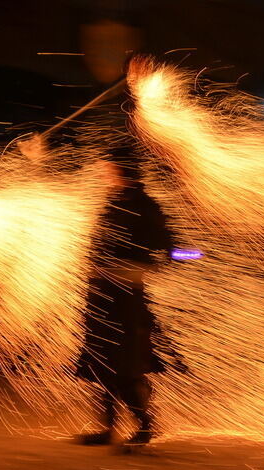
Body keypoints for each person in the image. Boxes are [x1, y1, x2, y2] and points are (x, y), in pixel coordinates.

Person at [75, 141, 180, 447]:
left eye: (107, 167)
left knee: (125, 364)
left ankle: (146, 425)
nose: (103, 172)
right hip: (103, 295)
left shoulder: (143, 205)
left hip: (126, 297)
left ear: (120, 169)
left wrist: (135, 270)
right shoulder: (115, 200)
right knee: (102, 363)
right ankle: (108, 429)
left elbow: (172, 249)